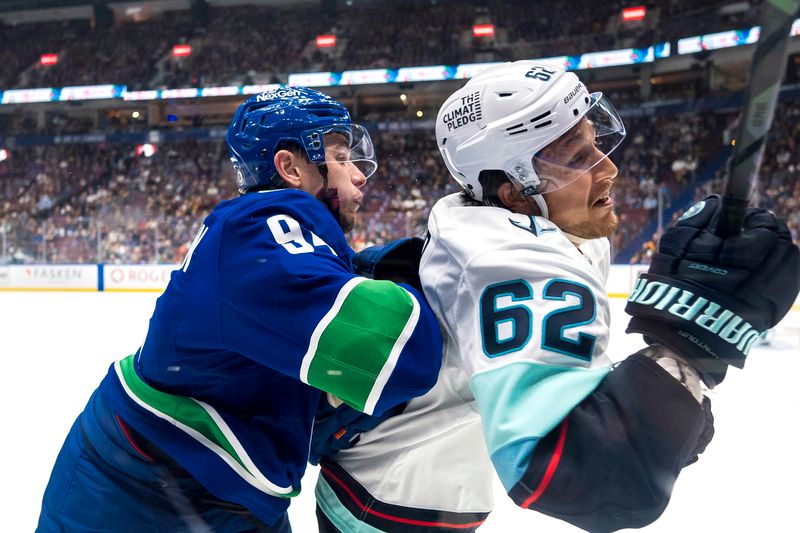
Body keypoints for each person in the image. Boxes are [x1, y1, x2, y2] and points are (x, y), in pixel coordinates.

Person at [312, 61, 800, 532]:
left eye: (595, 142)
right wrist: (685, 349)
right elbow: (580, 476)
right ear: (514, 194)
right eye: (575, 157)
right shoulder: (506, 258)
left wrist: (665, 396)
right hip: (387, 509)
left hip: (404, 489)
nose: (607, 169)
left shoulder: (546, 226)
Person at [36, 87, 442, 532]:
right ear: (290, 167)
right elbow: (403, 355)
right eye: (342, 156)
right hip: (133, 496)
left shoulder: (268, 233)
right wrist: (424, 278)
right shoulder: (257, 233)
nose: (359, 175)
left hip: (203, 489)